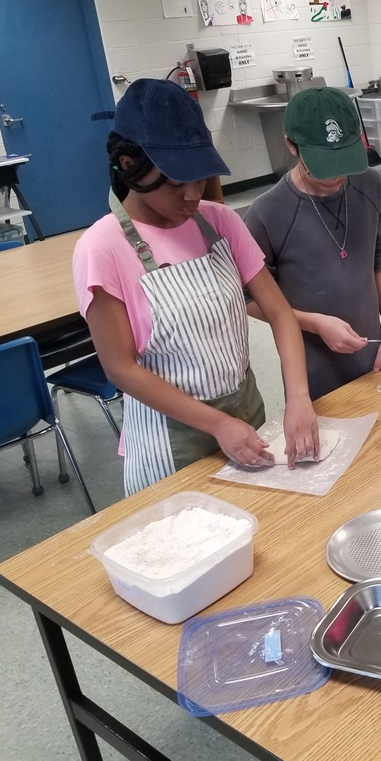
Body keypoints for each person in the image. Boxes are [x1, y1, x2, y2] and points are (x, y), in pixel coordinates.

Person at [73, 79, 319, 496]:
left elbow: (279, 312)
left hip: (246, 417)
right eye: (174, 183)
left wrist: (298, 396)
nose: (192, 195)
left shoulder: (220, 222)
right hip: (170, 442)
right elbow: (121, 368)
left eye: (200, 178)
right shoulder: (102, 248)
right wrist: (217, 424)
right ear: (129, 164)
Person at [244, 86, 381, 400]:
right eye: (322, 164)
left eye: (343, 159)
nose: (336, 175)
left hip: (373, 358)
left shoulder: (370, 185)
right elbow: (250, 299)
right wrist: (314, 323)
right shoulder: (267, 214)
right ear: (291, 145)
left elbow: (377, 260)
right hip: (313, 373)